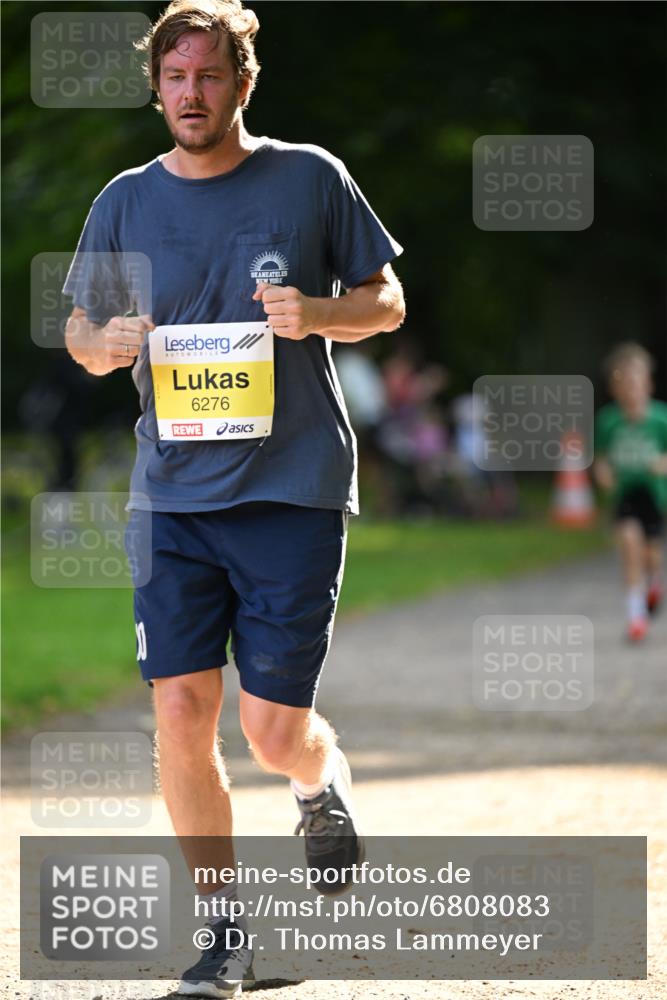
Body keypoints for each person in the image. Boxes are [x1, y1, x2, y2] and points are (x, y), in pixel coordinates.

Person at [62, 0, 405, 994]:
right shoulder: (124, 201)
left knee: (269, 731)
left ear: (242, 84)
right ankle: (225, 935)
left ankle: (317, 778)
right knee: (179, 707)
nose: (191, 94)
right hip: (171, 497)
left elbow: (386, 302)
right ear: (155, 90)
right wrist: (105, 343)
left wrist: (318, 313)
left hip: (290, 490)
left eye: (209, 76)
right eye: (174, 78)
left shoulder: (309, 178)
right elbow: (80, 332)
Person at [594, 343, 667, 642]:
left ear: (648, 384)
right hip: (626, 494)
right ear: (614, 389)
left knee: (651, 556)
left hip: (654, 494)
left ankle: (655, 584)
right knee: (628, 543)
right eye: (624, 383)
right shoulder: (608, 420)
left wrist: (662, 463)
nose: (631, 389)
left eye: (636, 382)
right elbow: (601, 458)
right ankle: (636, 616)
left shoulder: (661, 419)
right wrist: (603, 474)